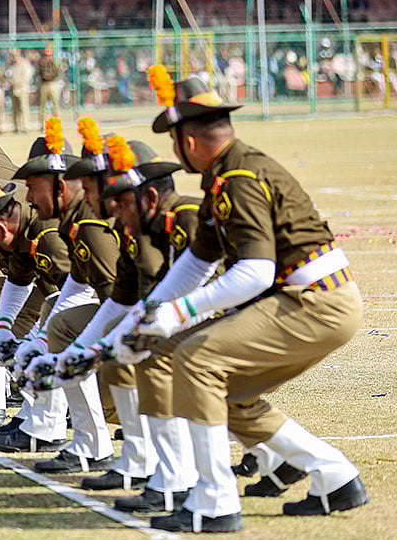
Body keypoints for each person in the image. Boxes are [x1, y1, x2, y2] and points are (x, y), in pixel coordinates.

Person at [130, 67, 367, 533]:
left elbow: (255, 271)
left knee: (197, 359)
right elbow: (196, 264)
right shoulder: (227, 173)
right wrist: (146, 314)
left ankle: (215, 500)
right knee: (226, 392)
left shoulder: (238, 175)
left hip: (315, 300)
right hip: (313, 298)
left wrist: (178, 312)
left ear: (189, 143)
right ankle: (335, 475)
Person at [7, 49, 34, 133]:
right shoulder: (11, 65)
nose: (14, 57)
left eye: (16, 55)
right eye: (13, 55)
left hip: (22, 89)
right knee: (15, 109)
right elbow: (7, 75)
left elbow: (26, 77)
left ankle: (25, 127)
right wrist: (10, 83)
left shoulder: (25, 64)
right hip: (13, 89)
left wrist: (17, 83)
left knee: (23, 108)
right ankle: (16, 127)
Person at [36, 46, 61, 117]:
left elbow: (58, 72)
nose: (47, 53)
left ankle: (56, 121)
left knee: (55, 103)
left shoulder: (55, 61)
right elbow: (39, 72)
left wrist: (50, 75)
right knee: (42, 105)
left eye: (49, 51)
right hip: (44, 84)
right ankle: (42, 124)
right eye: (46, 51)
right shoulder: (41, 61)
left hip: (53, 83)